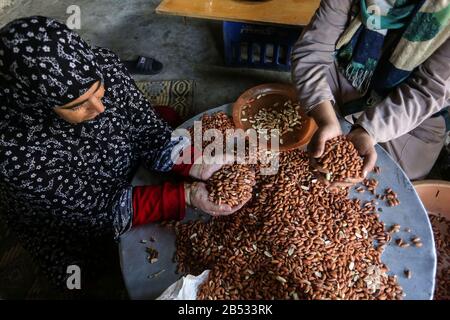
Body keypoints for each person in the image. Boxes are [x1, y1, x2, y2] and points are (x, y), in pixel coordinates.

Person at [0, 16, 248, 294]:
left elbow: (147, 130)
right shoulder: (14, 150)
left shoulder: (103, 66)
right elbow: (99, 209)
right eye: (78, 105)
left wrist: (197, 163)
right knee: (84, 279)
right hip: (70, 219)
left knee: (164, 120)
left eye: (99, 91)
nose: (100, 108)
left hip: (118, 161)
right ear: (39, 103)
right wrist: (186, 196)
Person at [292, 0, 450, 181]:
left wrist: (369, 131)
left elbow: (428, 90)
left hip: (413, 111)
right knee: (300, 140)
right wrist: (326, 118)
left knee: (392, 179)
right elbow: (313, 51)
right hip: (351, 70)